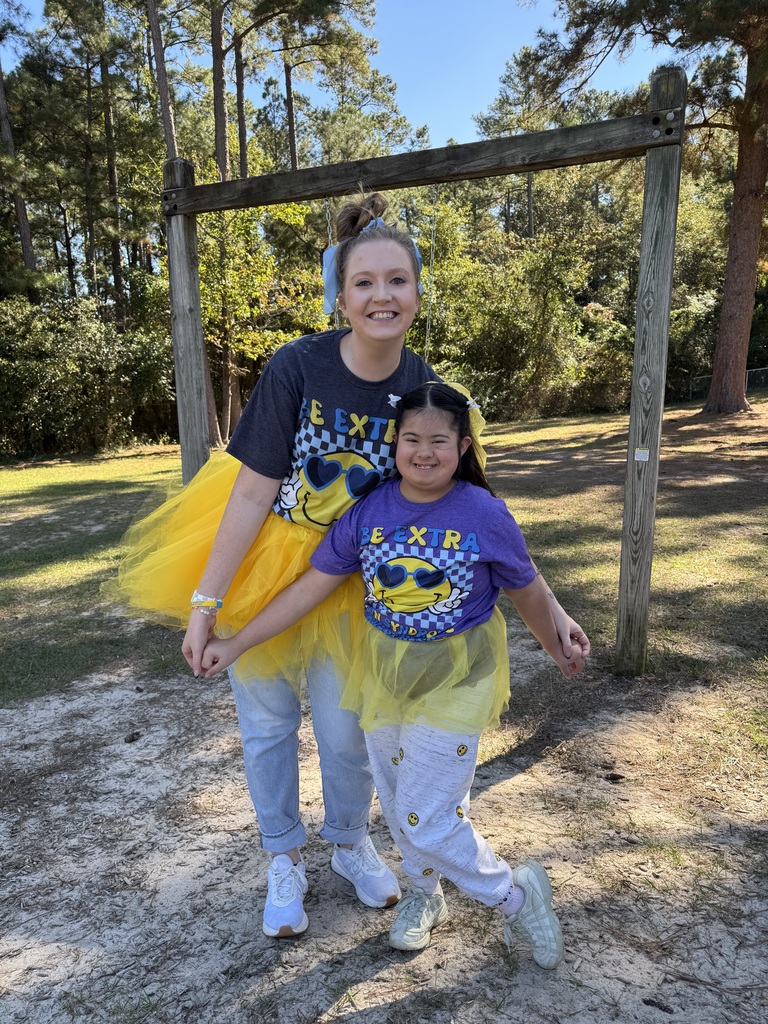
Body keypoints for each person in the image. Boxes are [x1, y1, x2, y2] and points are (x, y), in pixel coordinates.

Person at [107, 193, 589, 942]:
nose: (381, 296)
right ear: (341, 293)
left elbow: (475, 504)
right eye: (364, 283)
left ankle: (348, 839)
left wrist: (552, 618)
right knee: (267, 725)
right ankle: (281, 856)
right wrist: (207, 602)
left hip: (360, 572)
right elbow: (253, 486)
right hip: (272, 561)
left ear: (418, 295)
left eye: (397, 281)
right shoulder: (298, 364)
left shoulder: (425, 379)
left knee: (345, 731)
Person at [198, 381, 587, 969]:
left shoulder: (483, 513)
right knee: (400, 797)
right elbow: (310, 587)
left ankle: (514, 895)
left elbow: (526, 587)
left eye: (439, 440)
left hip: (456, 679)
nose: (423, 451)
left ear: (463, 447)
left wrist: (556, 643)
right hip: (383, 678)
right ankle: (425, 896)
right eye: (410, 439)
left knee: (426, 816)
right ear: (393, 443)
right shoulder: (368, 512)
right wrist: (238, 641)